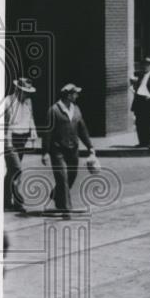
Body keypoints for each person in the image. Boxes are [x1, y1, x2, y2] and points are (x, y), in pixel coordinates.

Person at [41, 84, 95, 213]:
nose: (77, 95)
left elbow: (82, 129)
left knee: (72, 175)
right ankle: (66, 208)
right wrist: (45, 152)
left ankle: (56, 196)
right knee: (62, 177)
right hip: (58, 150)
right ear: (68, 95)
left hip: (73, 150)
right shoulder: (54, 110)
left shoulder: (76, 109)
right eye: (75, 93)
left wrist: (90, 146)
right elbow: (47, 133)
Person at [4, 78, 38, 212]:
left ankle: (6, 200)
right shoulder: (8, 101)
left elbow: (31, 117)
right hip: (10, 138)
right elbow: (5, 124)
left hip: (22, 139)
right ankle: (18, 201)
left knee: (12, 171)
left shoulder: (28, 102)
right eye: (25, 91)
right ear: (18, 90)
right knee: (18, 169)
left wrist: (33, 131)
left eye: (28, 92)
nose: (27, 94)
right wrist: (8, 142)